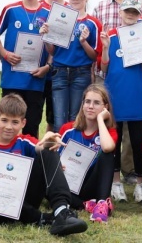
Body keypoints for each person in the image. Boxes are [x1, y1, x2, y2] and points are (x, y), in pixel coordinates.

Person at [0, 93, 87, 236]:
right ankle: (42, 218)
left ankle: (62, 211)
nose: (9, 127)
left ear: (23, 123)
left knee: (48, 151)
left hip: (25, 197)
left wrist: (48, 141)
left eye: (15, 122)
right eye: (4, 120)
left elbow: (41, 147)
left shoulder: (24, 141)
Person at [100, 0, 142, 203]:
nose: (130, 15)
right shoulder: (111, 34)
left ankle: (140, 182)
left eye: (134, 12)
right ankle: (115, 182)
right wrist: (105, 47)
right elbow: (103, 67)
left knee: (138, 140)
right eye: (127, 11)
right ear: (120, 12)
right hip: (114, 93)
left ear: (139, 14)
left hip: (135, 93)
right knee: (116, 138)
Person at [0, 0, 51, 138]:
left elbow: (54, 44)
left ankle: (30, 154)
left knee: (31, 125)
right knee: (8, 123)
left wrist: (47, 66)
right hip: (12, 78)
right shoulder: (11, 10)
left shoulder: (48, 12)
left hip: (35, 79)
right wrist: (4, 54)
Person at [41, 0, 100, 132]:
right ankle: (59, 147)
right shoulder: (59, 18)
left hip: (81, 73)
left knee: (76, 118)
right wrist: (46, 38)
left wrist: (83, 42)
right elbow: (53, 51)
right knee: (59, 120)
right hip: (59, 72)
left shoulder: (93, 23)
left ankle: (73, 147)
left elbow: (94, 56)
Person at [58, 84, 118, 222]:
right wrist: (59, 165)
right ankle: (85, 205)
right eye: (87, 101)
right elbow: (54, 157)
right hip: (70, 183)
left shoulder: (109, 132)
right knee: (48, 185)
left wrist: (100, 120)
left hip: (91, 184)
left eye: (96, 103)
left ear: (105, 107)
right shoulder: (68, 129)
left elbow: (107, 148)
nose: (90, 106)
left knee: (107, 154)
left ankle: (101, 203)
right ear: (83, 104)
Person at [41, 0, 67, 134]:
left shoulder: (71, 10)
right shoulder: (37, 6)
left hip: (57, 73)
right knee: (32, 116)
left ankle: (49, 147)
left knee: (53, 118)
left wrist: (49, 65)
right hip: (33, 71)